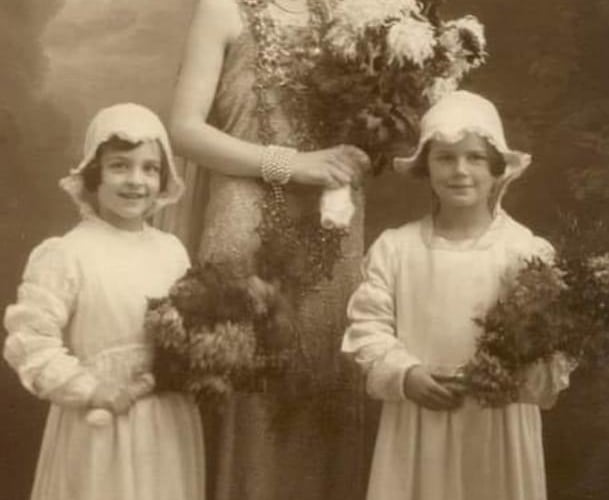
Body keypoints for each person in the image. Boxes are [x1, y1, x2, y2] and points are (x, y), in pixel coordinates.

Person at [159, 0, 372, 499]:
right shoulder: (222, 9)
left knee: (330, 370)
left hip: (334, 218)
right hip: (246, 215)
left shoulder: (355, 14)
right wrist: (289, 164)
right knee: (248, 383)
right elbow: (185, 130)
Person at [342, 90, 573, 500]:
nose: (460, 171)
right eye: (445, 158)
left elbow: (553, 348)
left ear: (497, 168)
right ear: (425, 167)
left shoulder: (525, 253)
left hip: (496, 427)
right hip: (418, 424)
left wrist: (509, 377)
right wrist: (405, 374)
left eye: (475, 158)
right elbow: (368, 326)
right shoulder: (396, 248)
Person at [3, 103, 205, 500]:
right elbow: (31, 343)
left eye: (150, 168)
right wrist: (90, 390)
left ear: (164, 179)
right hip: (101, 424)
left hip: (166, 422)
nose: (136, 180)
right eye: (119, 166)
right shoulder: (67, 253)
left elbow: (189, 329)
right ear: (94, 174)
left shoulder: (172, 251)